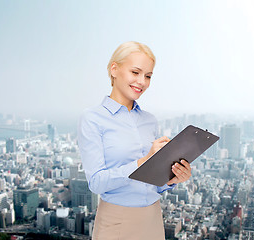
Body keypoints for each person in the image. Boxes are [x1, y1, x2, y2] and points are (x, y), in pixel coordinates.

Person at [77, 41, 192, 240]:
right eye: (135, 72)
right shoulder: (92, 118)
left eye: (148, 76)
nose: (142, 82)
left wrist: (173, 179)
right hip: (116, 221)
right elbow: (96, 183)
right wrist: (143, 161)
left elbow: (151, 183)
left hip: (153, 218)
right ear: (114, 69)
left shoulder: (149, 120)